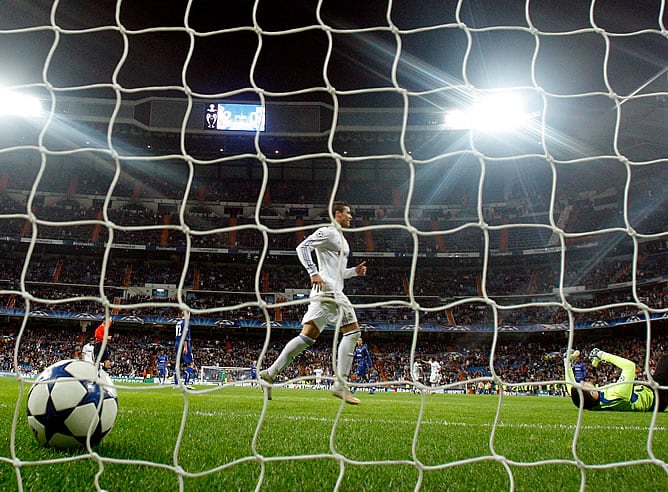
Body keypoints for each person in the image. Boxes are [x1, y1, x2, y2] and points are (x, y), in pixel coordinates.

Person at [260, 201, 368, 405]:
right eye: (348, 213)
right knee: (353, 333)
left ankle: (270, 373)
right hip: (329, 290)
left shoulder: (344, 242)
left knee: (307, 337)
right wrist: (313, 272)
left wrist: (355, 272)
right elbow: (302, 248)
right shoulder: (327, 233)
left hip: (326, 291)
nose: (351, 217)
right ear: (337, 214)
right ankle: (340, 385)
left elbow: (338, 273)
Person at [565, 349, 668, 412]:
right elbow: (630, 366)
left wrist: (567, 363)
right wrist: (602, 355)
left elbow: (570, 387)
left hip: (647, 391)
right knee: (665, 359)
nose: (582, 382)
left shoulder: (590, 402)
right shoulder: (616, 394)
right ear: (592, 393)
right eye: (582, 385)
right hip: (657, 397)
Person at [174, 314, 194, 388]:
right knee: (191, 364)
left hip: (177, 343)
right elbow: (184, 335)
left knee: (178, 364)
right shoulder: (186, 322)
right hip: (183, 344)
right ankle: (186, 383)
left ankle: (176, 384)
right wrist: (185, 347)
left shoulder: (178, 322)